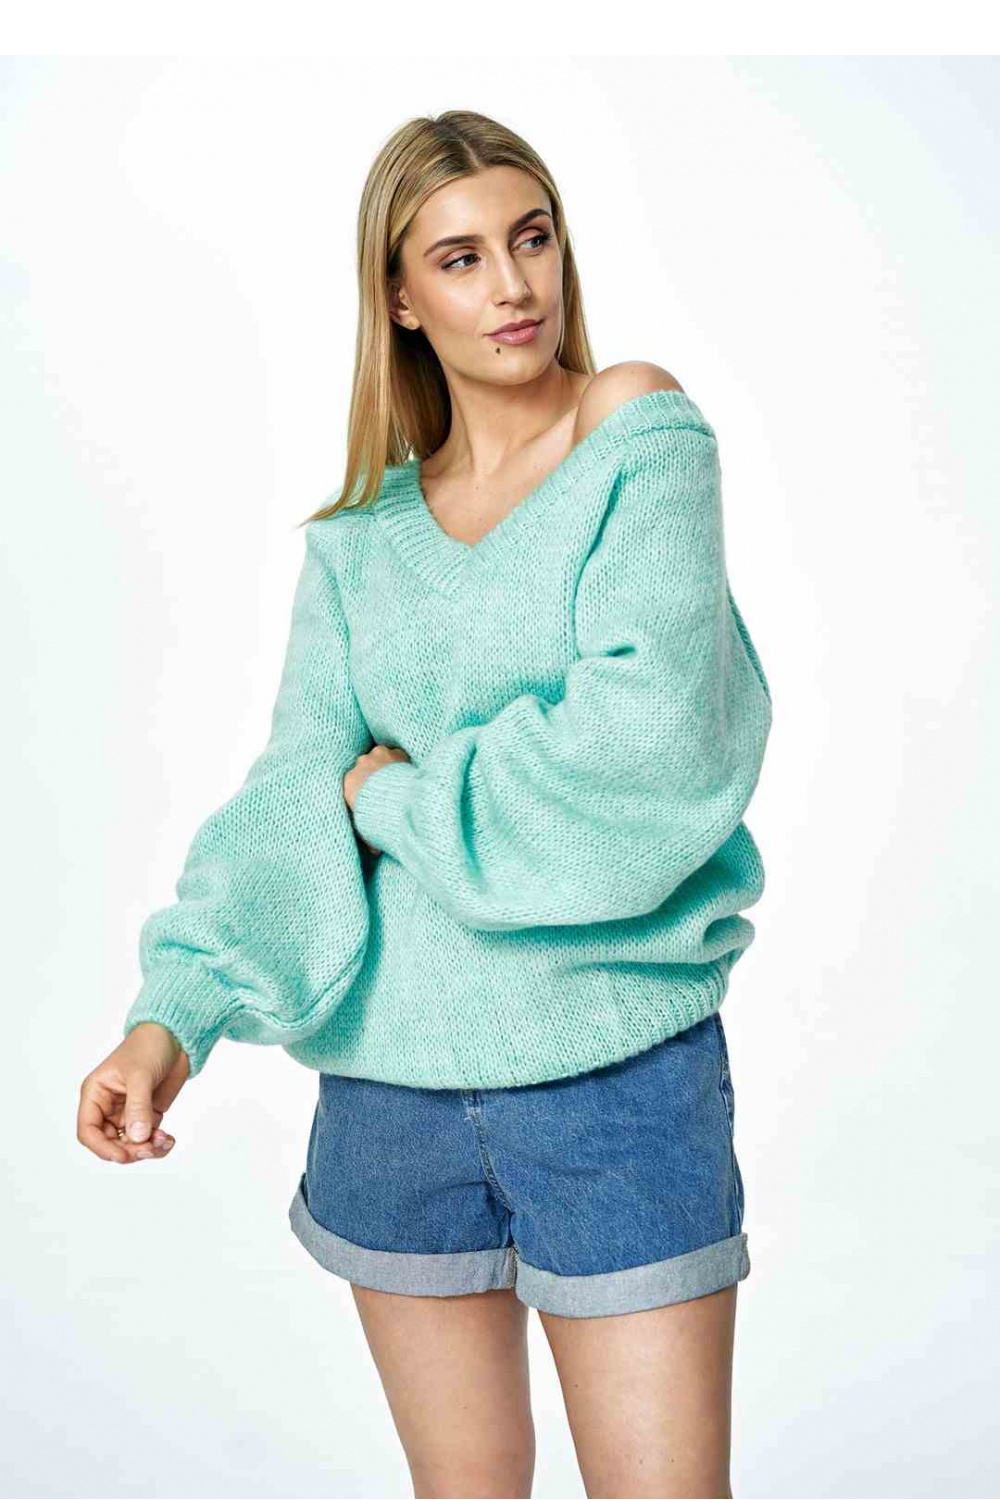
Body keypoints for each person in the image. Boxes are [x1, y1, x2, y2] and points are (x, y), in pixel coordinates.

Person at [78, 109, 773, 1500]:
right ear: (399, 297)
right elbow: (295, 794)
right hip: (390, 1094)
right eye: (460, 259)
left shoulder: (634, 431)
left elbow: (638, 755)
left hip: (613, 1070)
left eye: (532, 238)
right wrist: (174, 1019)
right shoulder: (360, 540)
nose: (512, 286)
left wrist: (394, 797)